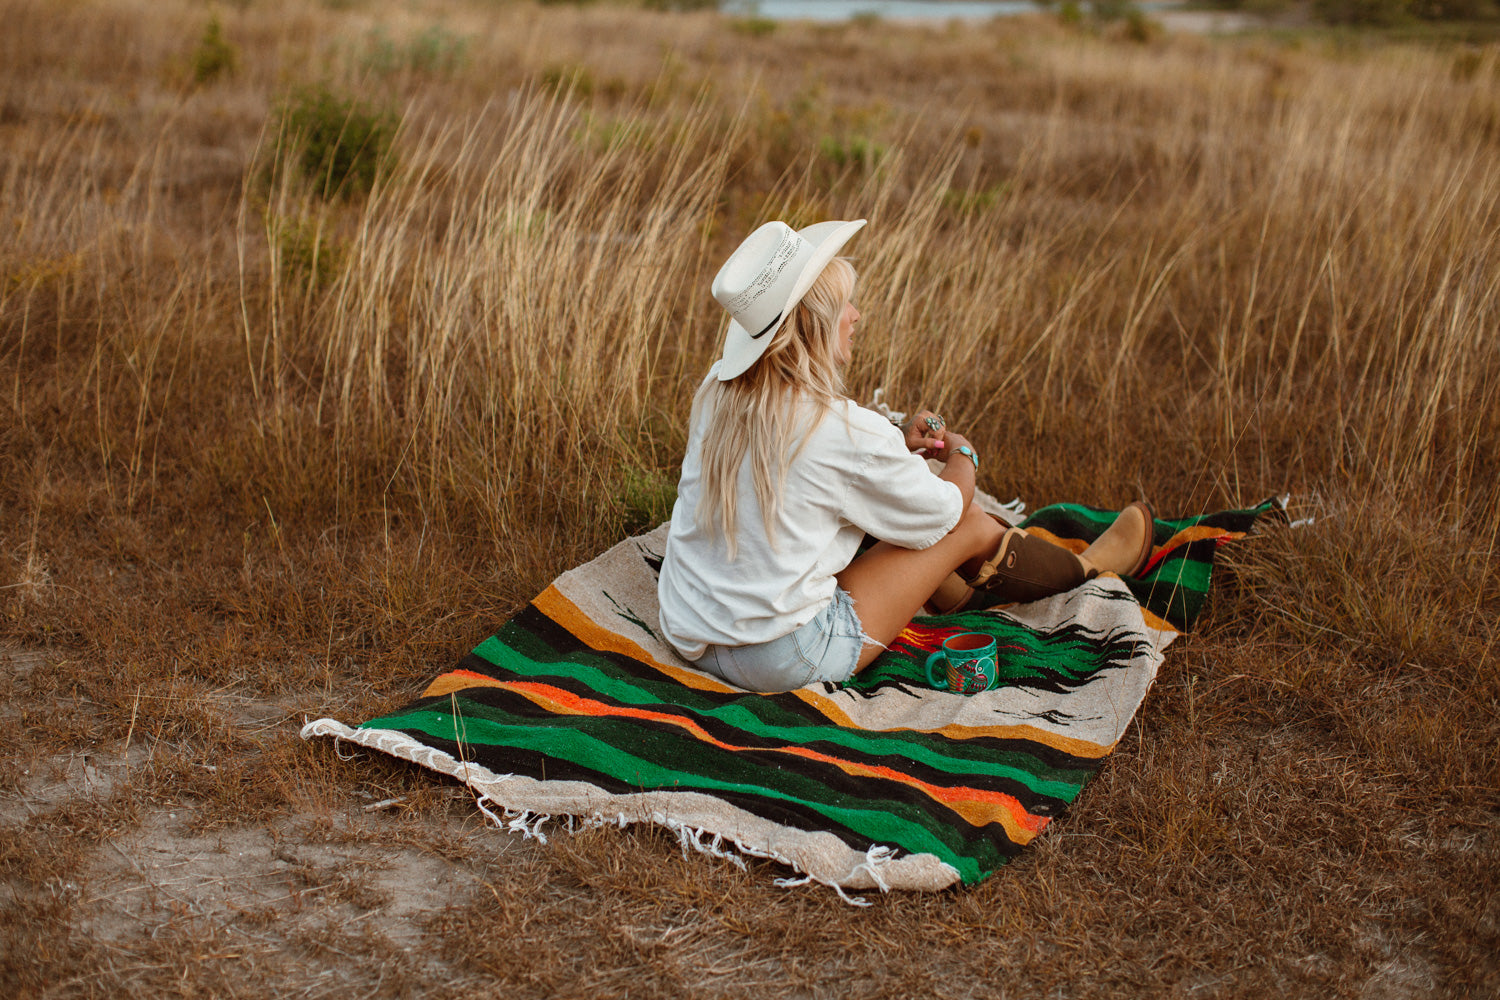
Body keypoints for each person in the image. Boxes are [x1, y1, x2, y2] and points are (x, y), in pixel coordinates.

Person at [656, 219, 1153, 693]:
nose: (856, 316)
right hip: (782, 655)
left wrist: (893, 439)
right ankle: (1087, 572)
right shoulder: (839, 431)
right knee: (969, 523)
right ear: (816, 326)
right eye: (846, 305)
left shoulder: (717, 389)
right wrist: (963, 455)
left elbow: (814, 461)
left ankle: (961, 593)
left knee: (884, 504)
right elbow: (945, 510)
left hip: (691, 631)